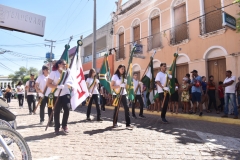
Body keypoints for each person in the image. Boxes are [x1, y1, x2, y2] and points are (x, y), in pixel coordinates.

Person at [46, 59, 71, 134]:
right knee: (56, 111)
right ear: (59, 64)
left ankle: (64, 126)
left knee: (67, 108)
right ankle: (56, 127)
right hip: (56, 94)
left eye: (65, 64)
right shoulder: (53, 73)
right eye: (63, 64)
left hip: (66, 93)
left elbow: (71, 81)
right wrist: (57, 86)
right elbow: (48, 84)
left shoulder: (67, 72)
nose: (64, 65)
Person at [111, 64, 133, 129]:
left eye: (124, 69)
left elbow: (126, 86)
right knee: (116, 108)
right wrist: (119, 86)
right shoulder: (115, 76)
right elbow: (111, 86)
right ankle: (115, 123)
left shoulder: (124, 76)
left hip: (123, 94)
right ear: (118, 69)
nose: (123, 70)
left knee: (126, 107)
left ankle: (128, 124)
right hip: (117, 94)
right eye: (121, 69)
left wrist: (125, 84)